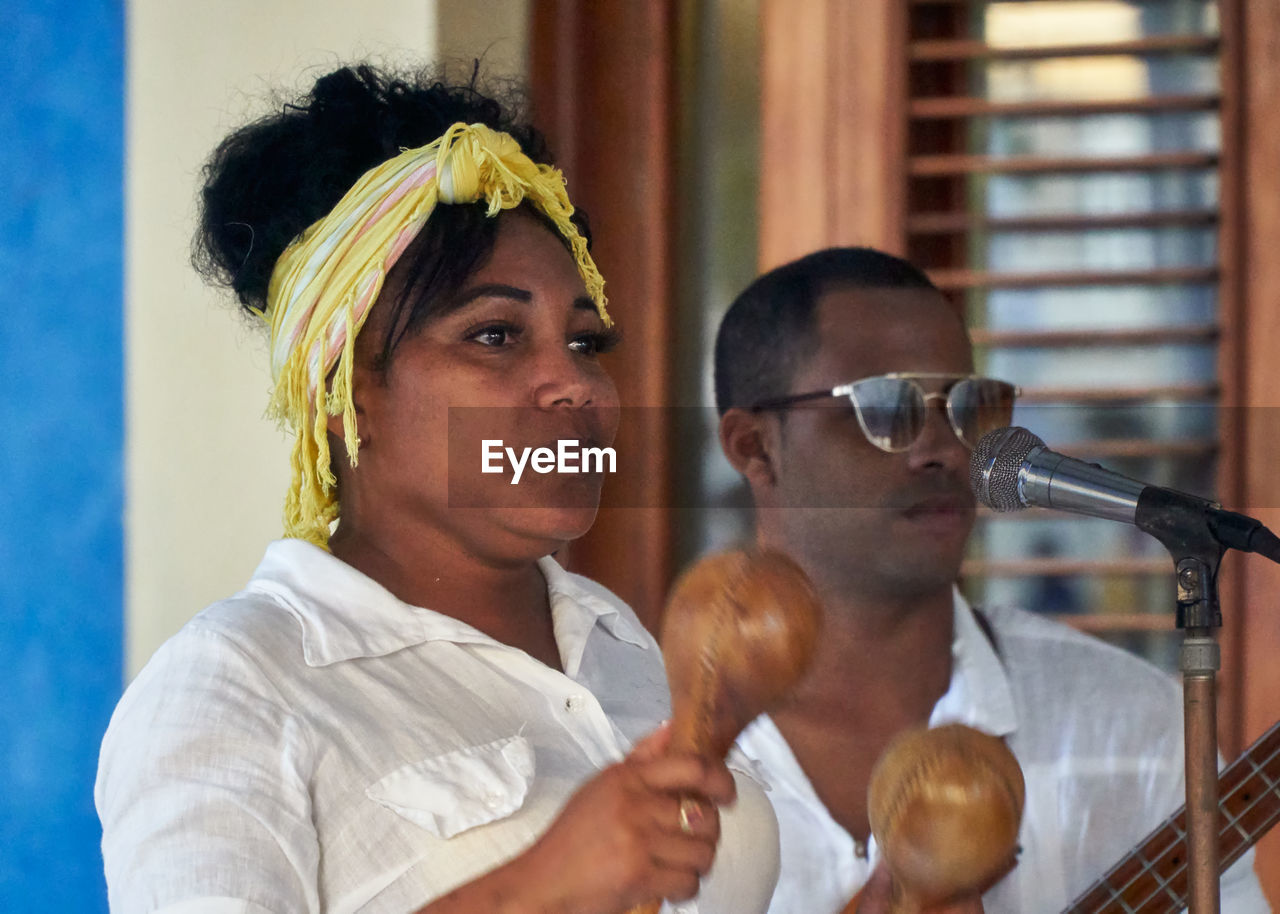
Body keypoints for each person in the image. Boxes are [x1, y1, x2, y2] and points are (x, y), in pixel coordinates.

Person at [95, 64, 779, 914]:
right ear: (341, 395)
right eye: (495, 335)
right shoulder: (236, 686)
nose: (576, 387)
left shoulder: (625, 646)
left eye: (585, 343)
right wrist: (537, 887)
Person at [713, 247, 1271, 913]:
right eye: (889, 408)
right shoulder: (637, 744)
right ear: (754, 446)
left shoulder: (1136, 729)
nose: (948, 449)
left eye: (969, 406)